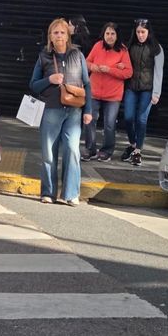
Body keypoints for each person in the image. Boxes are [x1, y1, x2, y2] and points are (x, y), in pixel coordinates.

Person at [30, 18, 93, 205]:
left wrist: (88, 110)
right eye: (55, 32)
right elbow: (33, 85)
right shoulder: (44, 56)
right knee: (49, 153)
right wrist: (49, 80)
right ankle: (48, 192)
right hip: (51, 110)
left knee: (72, 150)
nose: (59, 36)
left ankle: (71, 193)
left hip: (74, 111)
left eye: (62, 32)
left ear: (68, 36)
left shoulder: (77, 55)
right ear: (50, 36)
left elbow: (87, 84)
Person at [82, 22, 132, 162]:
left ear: (117, 35)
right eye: (107, 33)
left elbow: (128, 73)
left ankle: (106, 151)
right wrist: (93, 67)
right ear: (103, 34)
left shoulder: (123, 50)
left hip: (113, 95)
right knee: (89, 120)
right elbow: (86, 62)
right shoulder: (98, 46)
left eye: (112, 34)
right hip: (94, 91)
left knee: (109, 124)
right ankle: (90, 150)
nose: (109, 36)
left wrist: (110, 70)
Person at [122, 18, 164, 167]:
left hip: (148, 89)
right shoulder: (129, 46)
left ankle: (137, 151)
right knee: (128, 117)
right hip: (131, 87)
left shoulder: (156, 48)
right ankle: (133, 144)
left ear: (148, 32)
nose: (140, 35)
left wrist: (156, 92)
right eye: (138, 32)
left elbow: (159, 71)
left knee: (141, 119)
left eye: (143, 32)